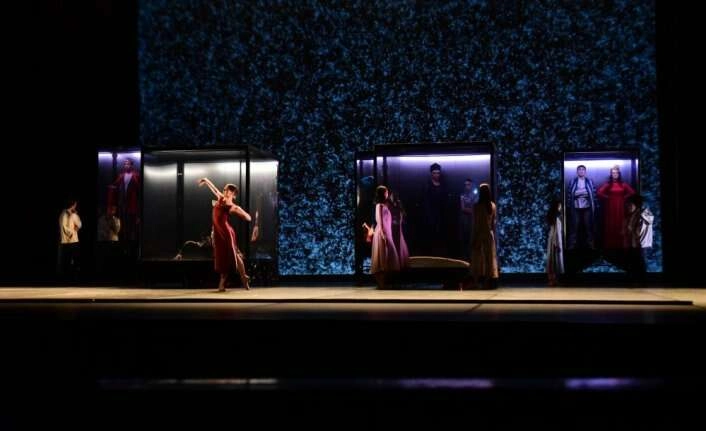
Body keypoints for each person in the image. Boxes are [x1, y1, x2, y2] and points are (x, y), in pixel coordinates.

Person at [198, 177, 252, 292]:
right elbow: (214, 189)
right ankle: (243, 277)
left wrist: (240, 212)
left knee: (231, 255)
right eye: (224, 189)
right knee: (226, 255)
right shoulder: (221, 198)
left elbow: (248, 218)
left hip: (226, 233)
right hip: (219, 232)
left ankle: (228, 282)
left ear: (232, 193)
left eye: (227, 190)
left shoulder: (232, 207)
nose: (224, 191)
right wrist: (206, 180)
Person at [597, 165, 635, 250]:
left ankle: (620, 245)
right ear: (611, 174)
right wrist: (607, 197)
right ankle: (610, 245)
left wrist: (624, 197)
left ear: (619, 174)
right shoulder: (608, 184)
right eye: (613, 173)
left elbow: (632, 192)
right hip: (610, 207)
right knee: (611, 224)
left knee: (620, 223)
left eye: (616, 173)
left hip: (620, 207)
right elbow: (599, 192)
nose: (615, 174)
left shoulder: (623, 184)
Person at [370, 185, 401, 289]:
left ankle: (383, 283)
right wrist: (383, 234)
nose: (387, 193)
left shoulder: (385, 205)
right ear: (383, 193)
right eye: (386, 192)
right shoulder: (379, 205)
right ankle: (381, 283)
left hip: (387, 232)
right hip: (382, 233)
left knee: (387, 257)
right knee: (382, 257)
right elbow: (380, 220)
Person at [470, 183, 499, 289]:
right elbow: (493, 223)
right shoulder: (492, 206)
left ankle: (476, 281)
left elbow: (475, 224)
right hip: (489, 234)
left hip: (479, 234)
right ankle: (487, 281)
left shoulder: (477, 206)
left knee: (477, 258)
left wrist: (473, 237)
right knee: (488, 258)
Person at [566, 165, 597, 250]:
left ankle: (591, 245)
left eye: (583, 169)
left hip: (587, 207)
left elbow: (593, 194)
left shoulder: (589, 181)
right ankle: (571, 246)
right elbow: (570, 194)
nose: (581, 171)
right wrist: (583, 193)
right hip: (575, 207)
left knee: (589, 226)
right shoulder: (573, 181)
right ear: (577, 172)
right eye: (579, 169)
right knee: (574, 226)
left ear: (585, 172)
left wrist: (579, 193)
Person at [623, 194, 653, 283]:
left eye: (630, 205)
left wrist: (632, 231)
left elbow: (640, 228)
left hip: (641, 243)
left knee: (640, 262)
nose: (628, 207)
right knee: (634, 263)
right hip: (634, 243)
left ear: (636, 204)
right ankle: (636, 281)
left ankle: (642, 281)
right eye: (627, 205)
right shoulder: (633, 215)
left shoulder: (643, 213)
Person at [110, 158, 140, 242]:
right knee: (122, 221)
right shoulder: (121, 175)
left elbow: (138, 188)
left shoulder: (136, 175)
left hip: (132, 203)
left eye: (128, 164)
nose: (126, 165)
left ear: (131, 165)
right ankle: (123, 237)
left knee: (131, 222)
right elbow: (115, 185)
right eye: (125, 164)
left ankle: (131, 238)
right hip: (122, 202)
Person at [422, 163, 449, 256]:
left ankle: (439, 254)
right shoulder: (427, 185)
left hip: (441, 214)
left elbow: (446, 200)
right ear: (431, 173)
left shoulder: (443, 185)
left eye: (438, 173)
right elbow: (425, 201)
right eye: (434, 173)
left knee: (440, 235)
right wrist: (428, 214)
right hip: (430, 215)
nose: (436, 175)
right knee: (431, 234)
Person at [58, 199, 82, 281]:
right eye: (75, 205)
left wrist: (77, 227)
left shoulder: (70, 214)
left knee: (72, 259)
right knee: (69, 260)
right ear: (73, 205)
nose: (76, 206)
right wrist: (72, 232)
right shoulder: (65, 214)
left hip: (70, 241)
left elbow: (80, 224)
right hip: (70, 241)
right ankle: (69, 277)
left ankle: (71, 276)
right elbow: (64, 226)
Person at [388, 189, 409, 269]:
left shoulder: (398, 203)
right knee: (393, 242)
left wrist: (401, 218)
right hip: (391, 226)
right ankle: (394, 261)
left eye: (394, 195)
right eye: (391, 195)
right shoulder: (388, 204)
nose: (392, 197)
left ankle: (399, 260)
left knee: (398, 242)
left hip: (397, 226)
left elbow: (403, 213)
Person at [545, 199, 564, 286]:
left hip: (552, 239)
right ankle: (552, 279)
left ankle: (553, 279)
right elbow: (556, 232)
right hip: (554, 240)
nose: (560, 207)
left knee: (552, 260)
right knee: (553, 260)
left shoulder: (555, 217)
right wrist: (556, 243)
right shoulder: (556, 218)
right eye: (559, 206)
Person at [459, 178, 478, 260]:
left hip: (473, 219)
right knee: (465, 236)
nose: (467, 186)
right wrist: (472, 210)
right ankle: (465, 256)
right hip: (465, 219)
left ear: (471, 185)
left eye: (468, 184)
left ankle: (472, 256)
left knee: (472, 237)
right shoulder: (462, 195)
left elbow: (476, 207)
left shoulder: (475, 194)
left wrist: (472, 211)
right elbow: (463, 208)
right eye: (465, 185)